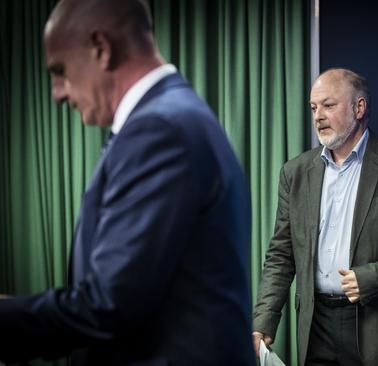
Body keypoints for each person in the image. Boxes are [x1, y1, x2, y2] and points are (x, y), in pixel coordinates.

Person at [0, 0, 254, 364]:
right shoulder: (174, 116)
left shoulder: (159, 129)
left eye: (60, 71)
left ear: (101, 49)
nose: (57, 94)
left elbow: (110, 304)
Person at [252, 68, 378, 366]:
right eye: (313, 107)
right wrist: (264, 320)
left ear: (359, 107)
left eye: (328, 105)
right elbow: (282, 253)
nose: (318, 115)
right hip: (316, 326)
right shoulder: (295, 172)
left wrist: (372, 277)